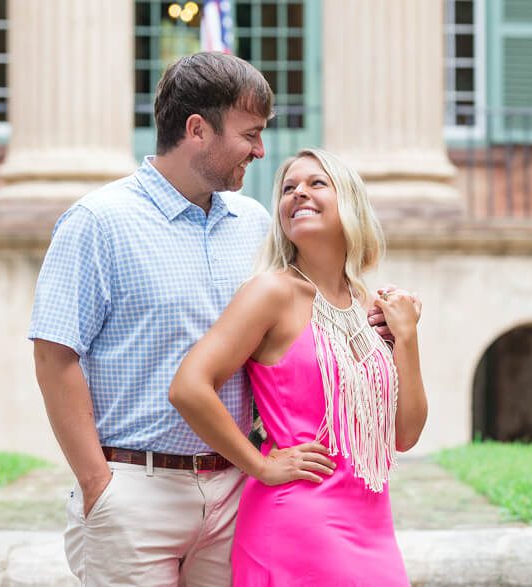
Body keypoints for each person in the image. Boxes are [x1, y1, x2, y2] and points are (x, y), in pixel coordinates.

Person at [29, 53, 397, 586]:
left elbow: (308, 306)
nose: (260, 150)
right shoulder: (98, 222)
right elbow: (53, 355)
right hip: (137, 488)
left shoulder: (254, 225)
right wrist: (97, 484)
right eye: (250, 133)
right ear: (197, 130)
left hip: (235, 493)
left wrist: (378, 325)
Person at [170, 148, 428, 586]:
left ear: (348, 200)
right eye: (288, 188)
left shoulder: (377, 308)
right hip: (295, 518)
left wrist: (408, 337)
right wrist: (261, 464)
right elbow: (189, 386)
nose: (298, 194)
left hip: (373, 523)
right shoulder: (272, 293)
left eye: (315, 183)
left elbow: (404, 435)